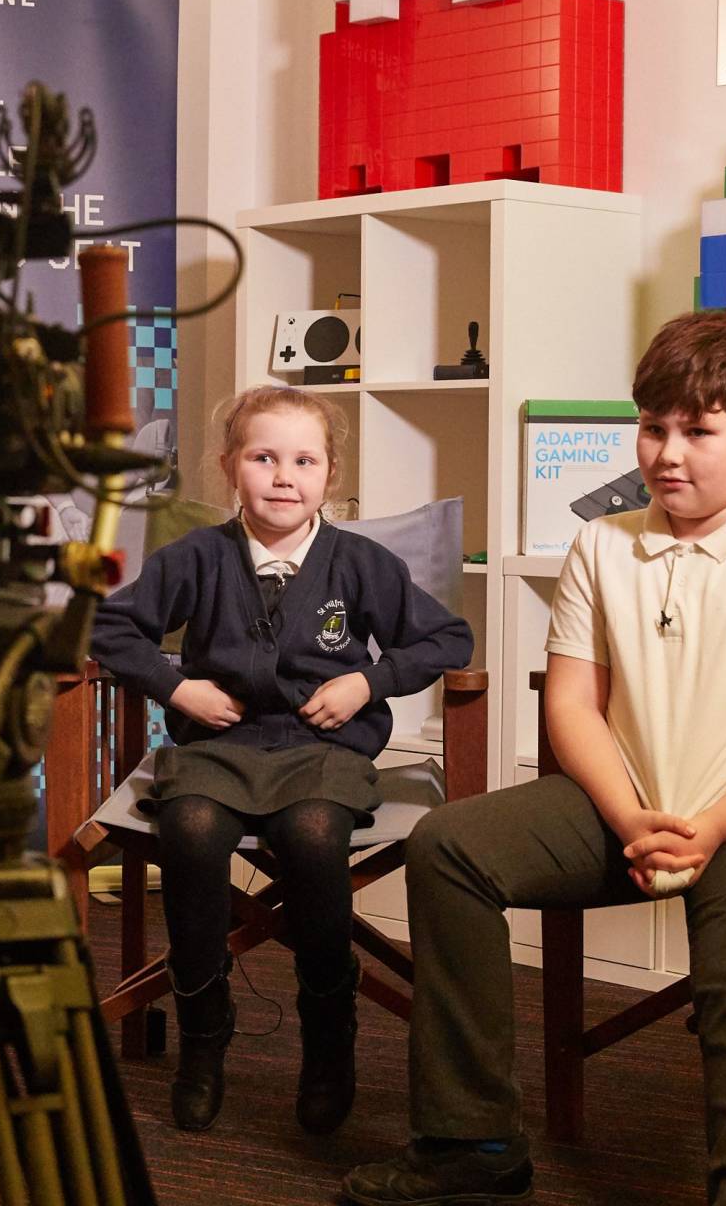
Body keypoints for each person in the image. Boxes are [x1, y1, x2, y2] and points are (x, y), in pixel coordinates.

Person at [342, 310, 726, 1206]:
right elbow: (572, 702)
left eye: (699, 431)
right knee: (449, 845)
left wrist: (712, 823)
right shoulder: (601, 543)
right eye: (654, 428)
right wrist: (630, 816)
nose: (668, 453)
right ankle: (472, 1141)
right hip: (627, 802)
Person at [92, 385, 473, 1134]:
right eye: (263, 457)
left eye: (304, 460)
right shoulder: (196, 557)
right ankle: (204, 1034)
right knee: (193, 829)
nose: (282, 476)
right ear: (230, 466)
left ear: (331, 474)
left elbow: (445, 640)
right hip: (217, 748)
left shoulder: (361, 563)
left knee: (313, 836)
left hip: (322, 752)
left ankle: (329, 1038)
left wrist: (368, 680)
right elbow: (110, 629)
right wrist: (179, 687)